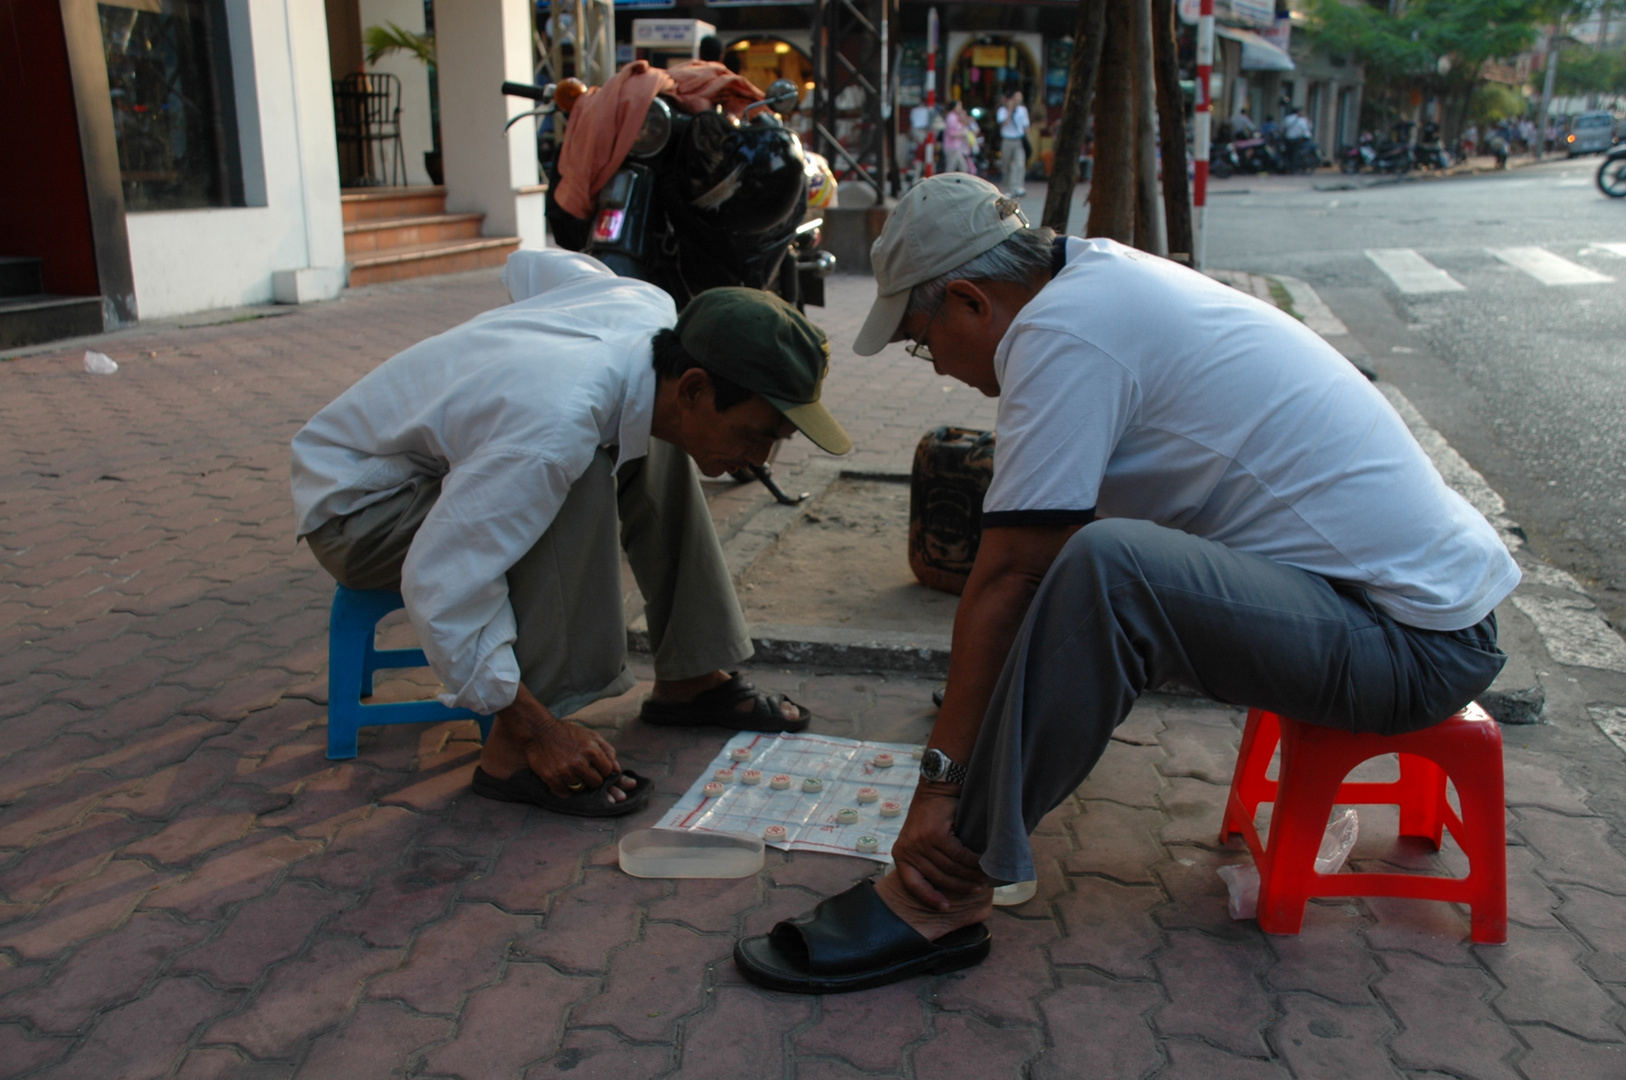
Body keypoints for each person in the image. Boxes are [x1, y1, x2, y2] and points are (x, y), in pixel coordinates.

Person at [732, 174, 1517, 993]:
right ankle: (968, 844)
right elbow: (1026, 576)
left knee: (1111, 570)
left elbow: (1009, 577)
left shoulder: (1066, 332)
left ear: (970, 301)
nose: (936, 367)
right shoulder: (1094, 281)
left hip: (1413, 647)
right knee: (1081, 567)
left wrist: (942, 782)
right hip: (1389, 612)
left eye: (923, 342)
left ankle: (944, 888)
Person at [291, 250, 851, 817]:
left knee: (657, 438)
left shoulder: (648, 312)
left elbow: (529, 267)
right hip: (359, 512)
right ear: (695, 386)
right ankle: (516, 750)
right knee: (580, 471)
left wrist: (516, 351)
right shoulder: (552, 428)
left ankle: (691, 675)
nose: (758, 458)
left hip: (462, 459)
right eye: (753, 434)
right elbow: (441, 582)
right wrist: (534, 727)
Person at [996, 91, 1029, 197]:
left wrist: (1029, 140)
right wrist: (1010, 110)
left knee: (1020, 164)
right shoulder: (1002, 111)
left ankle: (1018, 186)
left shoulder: (1022, 110)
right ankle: (1008, 188)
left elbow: (1026, 125)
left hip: (1018, 140)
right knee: (1006, 165)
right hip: (1007, 140)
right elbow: (1004, 123)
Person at [942, 101, 974, 175]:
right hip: (951, 147)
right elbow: (951, 134)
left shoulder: (955, 117)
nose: (960, 108)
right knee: (951, 168)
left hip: (956, 147)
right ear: (954, 107)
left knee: (964, 167)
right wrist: (964, 134)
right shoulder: (951, 117)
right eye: (959, 106)